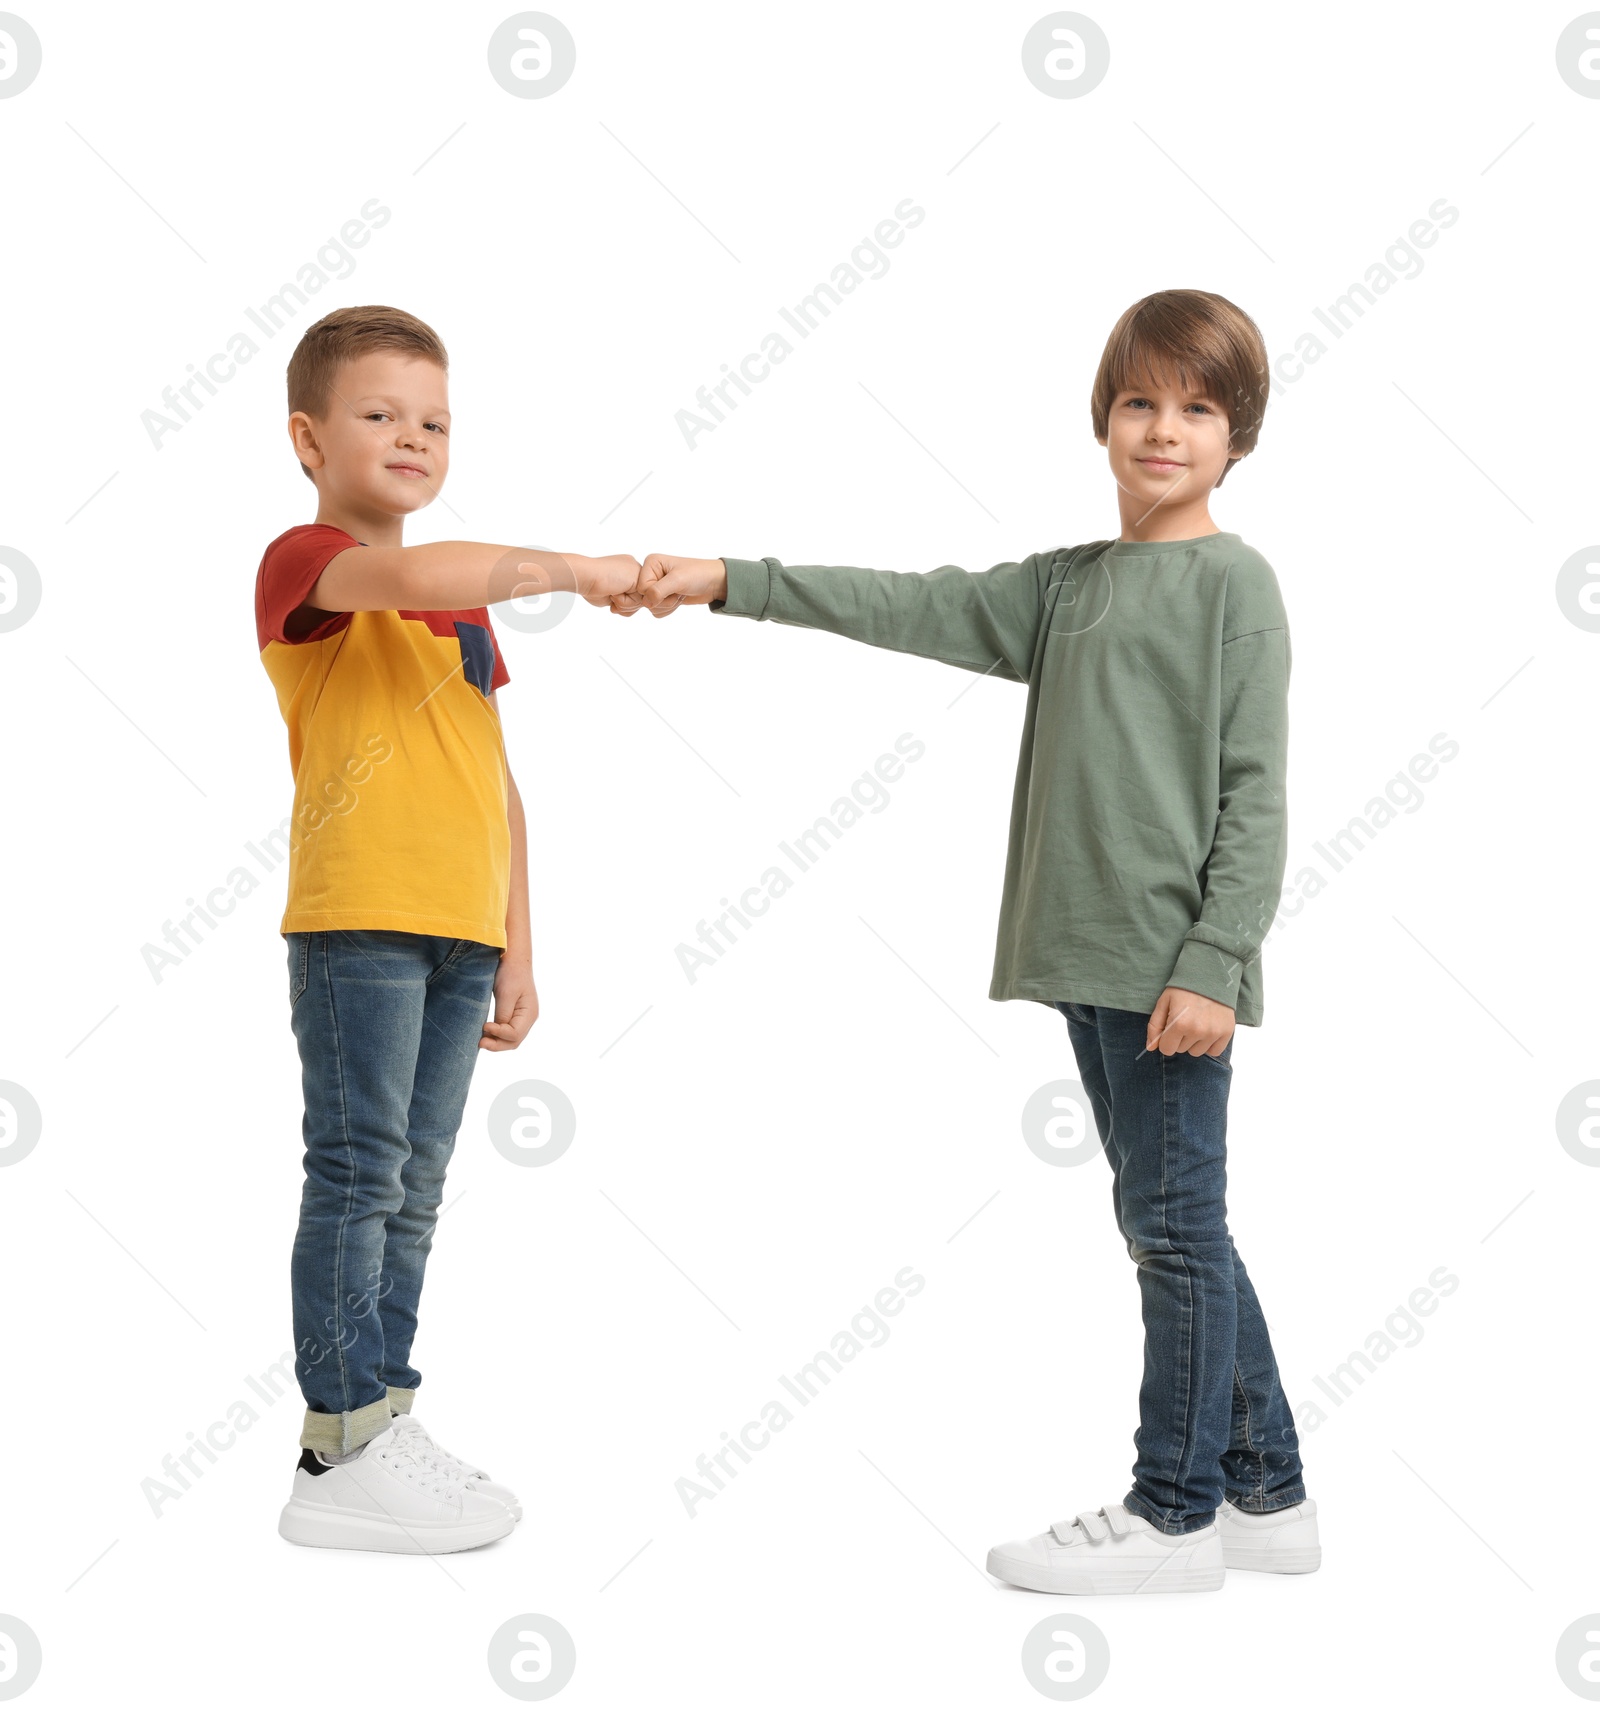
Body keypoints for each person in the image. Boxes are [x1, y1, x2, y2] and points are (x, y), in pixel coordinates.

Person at [625, 288, 1320, 1595]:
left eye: (1198, 408)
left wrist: (1214, 958)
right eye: (1140, 401)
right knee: (1175, 1223)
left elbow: (1258, 787)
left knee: (1174, 1230)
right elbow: (908, 602)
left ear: (1239, 437)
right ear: (1104, 418)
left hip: (1174, 972)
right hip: (1091, 962)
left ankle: (1174, 1512)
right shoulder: (1066, 588)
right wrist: (728, 580)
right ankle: (1267, 1487)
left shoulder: (1237, 585)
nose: (1163, 429)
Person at [253, 304, 637, 1553]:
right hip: (359, 922)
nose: (413, 437)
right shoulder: (306, 562)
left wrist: (518, 943)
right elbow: (414, 572)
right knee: (356, 1174)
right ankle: (337, 1439)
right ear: (311, 438)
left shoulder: (466, 616)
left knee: (414, 1191)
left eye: (435, 420)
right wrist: (570, 571)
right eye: (380, 415)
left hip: (457, 935)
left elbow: (497, 775)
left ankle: (388, 1418)